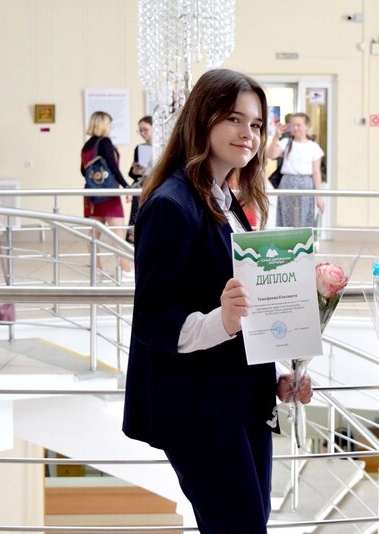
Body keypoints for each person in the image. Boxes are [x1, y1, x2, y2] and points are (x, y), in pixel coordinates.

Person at [122, 68, 312, 534]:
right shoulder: (171, 205)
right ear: (202, 119)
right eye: (234, 119)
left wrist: (280, 372)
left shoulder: (227, 199)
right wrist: (221, 321)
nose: (249, 134)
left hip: (242, 397)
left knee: (249, 522)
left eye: (257, 124)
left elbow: (246, 310)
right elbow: (152, 320)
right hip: (197, 407)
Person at [80, 111, 132, 273]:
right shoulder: (105, 142)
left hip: (91, 195)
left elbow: (83, 171)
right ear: (103, 124)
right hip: (109, 195)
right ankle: (125, 271)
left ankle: (97, 270)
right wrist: (126, 186)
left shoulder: (87, 145)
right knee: (118, 236)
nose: (111, 127)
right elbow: (113, 167)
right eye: (109, 124)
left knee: (93, 236)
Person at [266, 112, 324, 227]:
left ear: (307, 126)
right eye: (293, 125)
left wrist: (319, 196)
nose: (295, 128)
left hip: (306, 184)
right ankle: (287, 238)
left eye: (299, 125)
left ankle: (303, 238)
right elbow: (271, 155)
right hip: (287, 183)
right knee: (286, 217)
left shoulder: (314, 147)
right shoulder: (286, 143)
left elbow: (316, 173)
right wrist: (276, 136)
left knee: (304, 218)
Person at [126, 115, 153, 244]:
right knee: (137, 220)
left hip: (155, 187)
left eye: (145, 129)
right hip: (141, 188)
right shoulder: (139, 148)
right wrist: (135, 171)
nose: (142, 133)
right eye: (140, 130)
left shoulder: (165, 147)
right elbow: (132, 174)